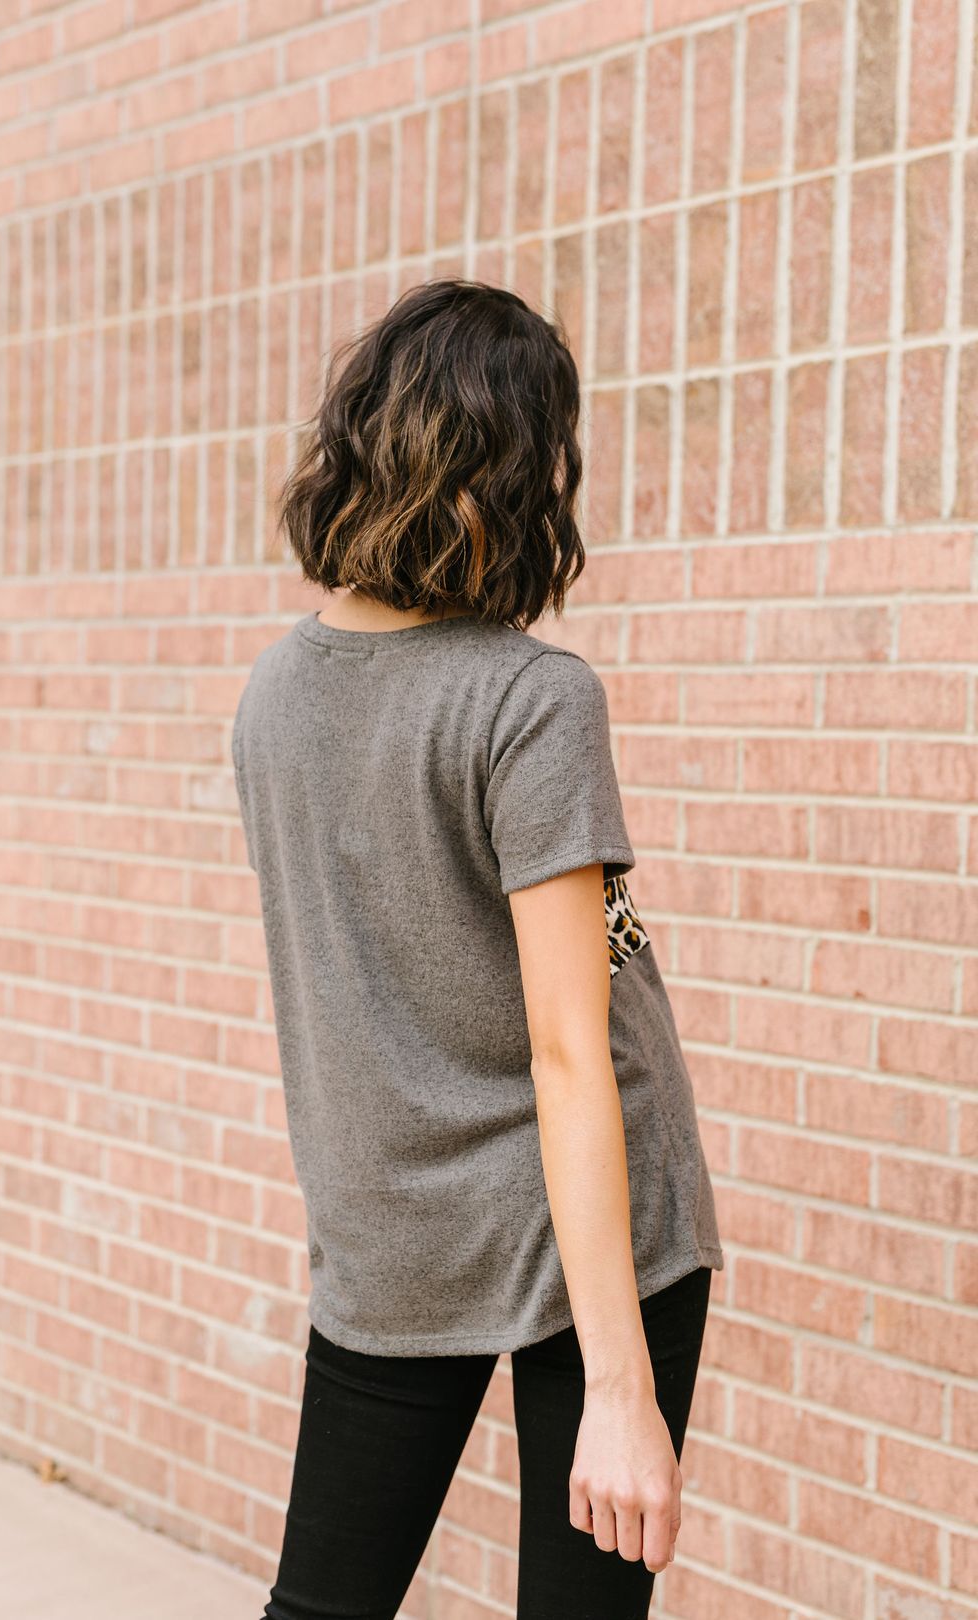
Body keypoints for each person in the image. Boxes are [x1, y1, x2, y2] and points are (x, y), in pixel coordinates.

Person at [231, 278, 724, 1620]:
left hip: (386, 1229)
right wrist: (620, 1391)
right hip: (593, 1238)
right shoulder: (531, 697)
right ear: (512, 472)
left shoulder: (274, 692)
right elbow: (569, 1051)